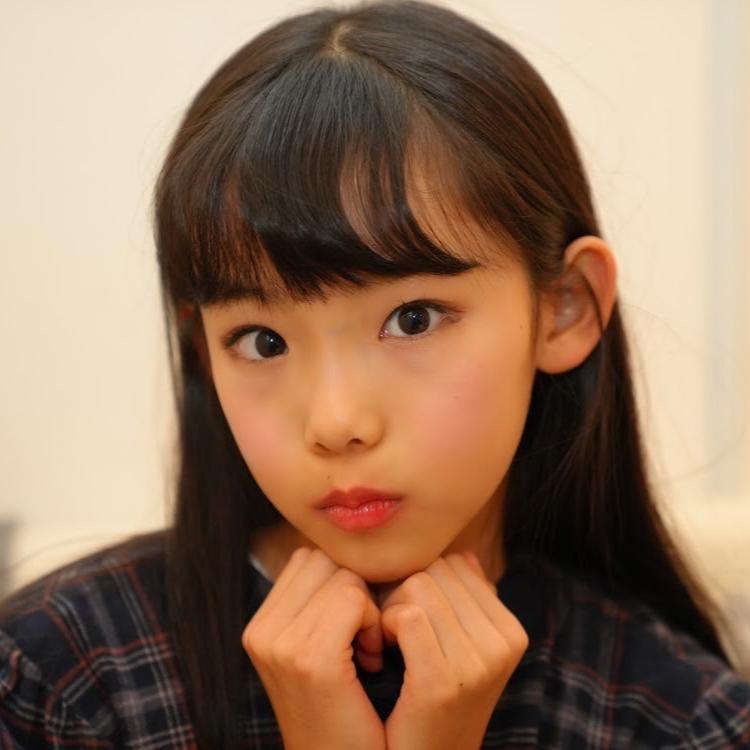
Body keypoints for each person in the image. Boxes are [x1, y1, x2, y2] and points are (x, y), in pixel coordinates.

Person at [1, 0, 749, 747]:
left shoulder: (683, 722)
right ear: (202, 348)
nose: (336, 423)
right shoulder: (58, 683)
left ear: (564, 308)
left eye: (413, 319)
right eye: (262, 340)